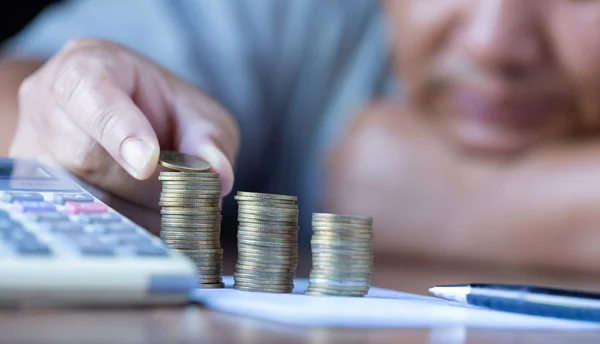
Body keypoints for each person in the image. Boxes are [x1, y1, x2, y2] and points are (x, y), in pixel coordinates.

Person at [1, 0, 600, 273]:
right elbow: (20, 85)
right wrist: (62, 119)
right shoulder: (297, 16)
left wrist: (474, 204)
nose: (493, 41)